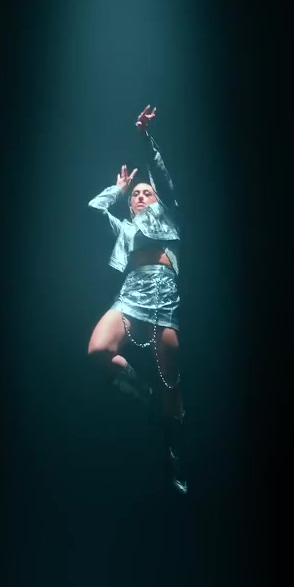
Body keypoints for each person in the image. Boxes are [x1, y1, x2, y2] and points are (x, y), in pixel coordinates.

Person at [86, 105, 189, 494]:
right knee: (98, 350)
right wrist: (119, 189)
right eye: (137, 194)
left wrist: (146, 137)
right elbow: (94, 209)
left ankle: (174, 458)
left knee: (171, 387)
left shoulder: (168, 214)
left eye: (147, 192)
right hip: (131, 294)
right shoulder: (125, 228)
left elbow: (160, 175)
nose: (142, 195)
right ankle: (143, 395)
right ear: (130, 204)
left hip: (164, 296)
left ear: (157, 199)